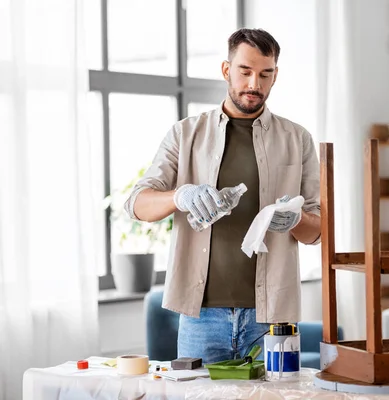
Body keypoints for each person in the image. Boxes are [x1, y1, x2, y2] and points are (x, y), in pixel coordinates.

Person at [124, 28, 321, 363]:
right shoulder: (186, 134)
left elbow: (318, 231)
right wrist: (181, 196)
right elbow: (136, 204)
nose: (254, 85)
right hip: (201, 319)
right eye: (245, 72)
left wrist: (296, 219)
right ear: (226, 70)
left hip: (272, 320)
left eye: (265, 74)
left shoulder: (297, 139)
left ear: (275, 75)